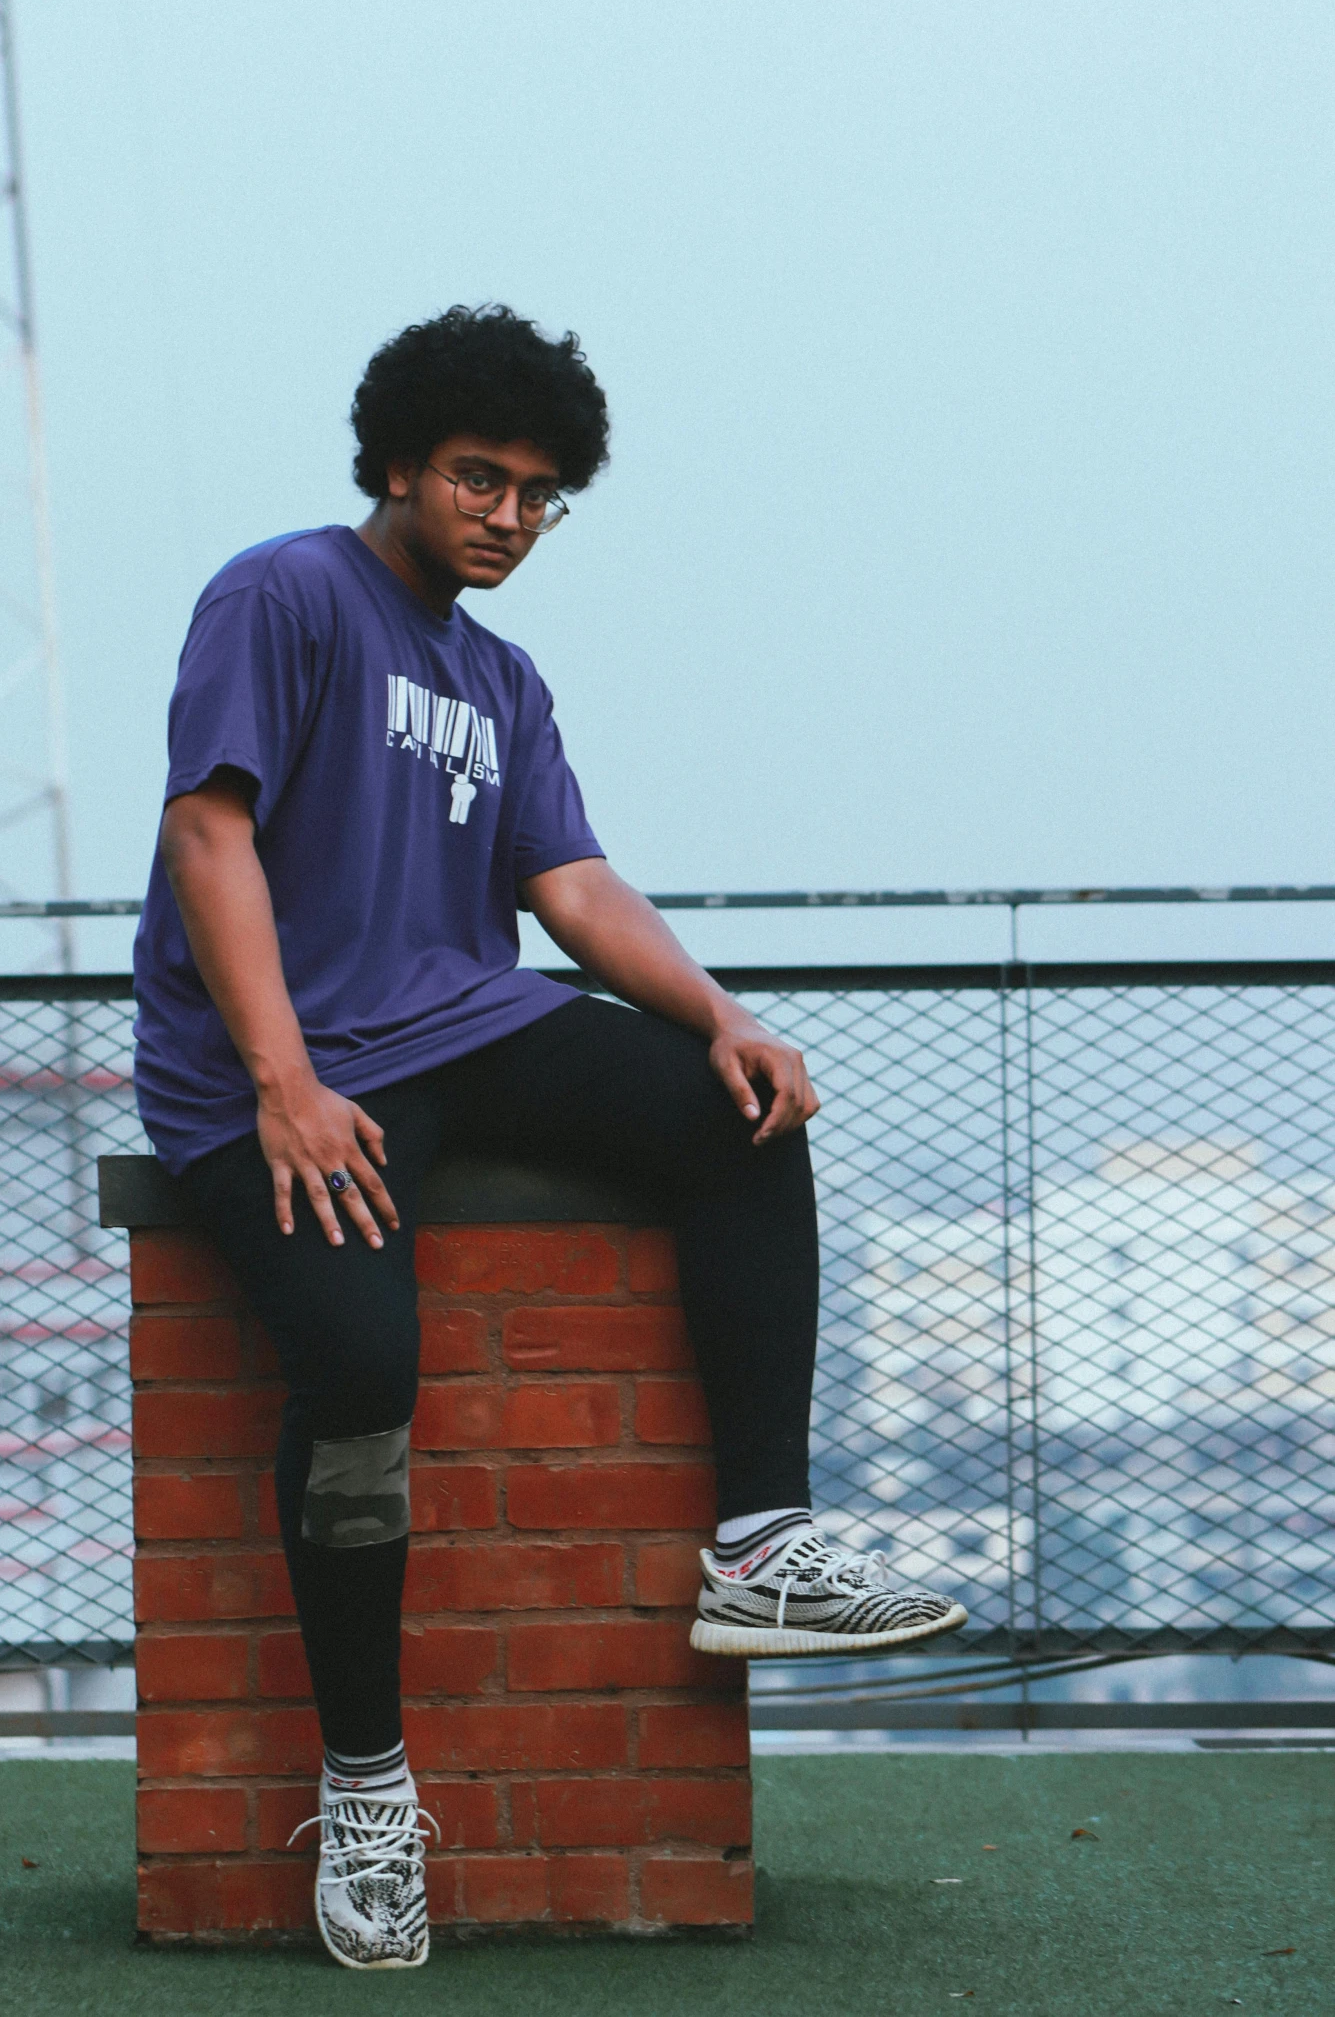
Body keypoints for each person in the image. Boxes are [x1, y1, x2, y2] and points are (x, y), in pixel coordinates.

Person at [132, 305, 965, 1971]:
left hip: (455, 1019)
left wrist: (722, 1015)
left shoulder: (499, 675)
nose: (506, 513)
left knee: (735, 1115)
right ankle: (367, 1786)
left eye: (536, 492)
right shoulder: (285, 593)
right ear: (397, 461)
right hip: (266, 1072)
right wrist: (285, 1081)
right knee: (365, 1372)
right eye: (477, 477)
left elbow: (567, 886)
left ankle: (760, 1548)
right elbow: (207, 829)